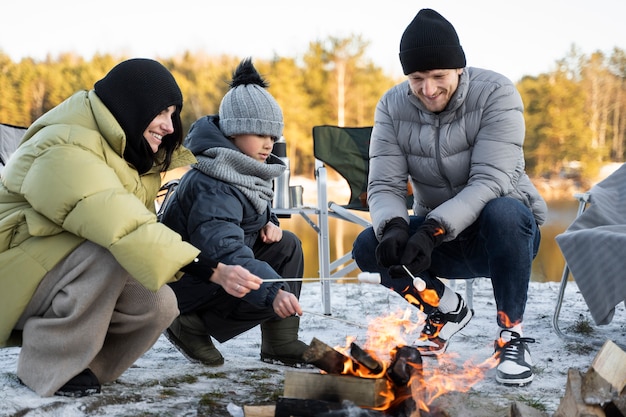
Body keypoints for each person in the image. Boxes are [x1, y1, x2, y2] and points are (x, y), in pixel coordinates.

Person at [0, 58, 261, 398]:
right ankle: (49, 368)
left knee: (159, 304)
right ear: (131, 105)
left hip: (52, 273)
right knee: (109, 251)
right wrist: (210, 269)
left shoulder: (124, 153)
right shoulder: (64, 145)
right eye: (161, 113)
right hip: (12, 276)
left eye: (173, 114)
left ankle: (89, 369)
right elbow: (122, 226)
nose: (170, 126)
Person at [352, 9, 547, 387]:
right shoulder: (392, 106)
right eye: (417, 79)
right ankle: (444, 308)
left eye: (439, 76)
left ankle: (510, 335)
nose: (427, 89)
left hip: (504, 236)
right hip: (440, 238)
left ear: (459, 68)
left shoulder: (497, 93)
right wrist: (393, 226)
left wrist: (432, 230)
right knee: (367, 244)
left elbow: (490, 180)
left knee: (505, 212)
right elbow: (384, 186)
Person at [160, 58, 309, 367]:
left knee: (287, 245)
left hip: (215, 272)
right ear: (233, 131)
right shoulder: (213, 179)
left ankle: (281, 343)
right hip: (185, 282)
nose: (268, 144)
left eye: (273, 136)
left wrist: (271, 223)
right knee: (266, 281)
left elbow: (248, 213)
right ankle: (186, 322)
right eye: (259, 134)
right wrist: (274, 293)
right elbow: (224, 249)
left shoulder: (243, 167)